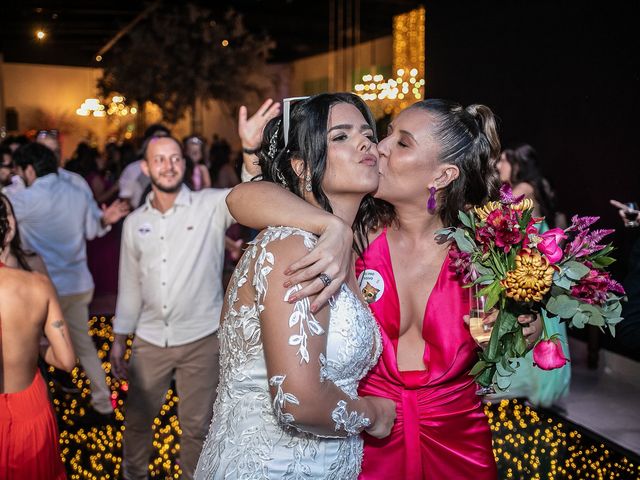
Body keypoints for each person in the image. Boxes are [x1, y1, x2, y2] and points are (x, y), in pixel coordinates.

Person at [226, 98, 544, 479]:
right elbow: (243, 197)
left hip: (458, 440)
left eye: (402, 143)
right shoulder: (354, 232)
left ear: (442, 176)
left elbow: (502, 332)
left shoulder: (485, 253)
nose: (379, 147)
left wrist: (522, 328)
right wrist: (334, 229)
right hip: (371, 440)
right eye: (387, 135)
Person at [195, 93, 395, 480]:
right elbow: (297, 404)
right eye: (340, 136)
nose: (364, 142)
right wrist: (374, 413)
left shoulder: (344, 247)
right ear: (301, 167)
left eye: (367, 134)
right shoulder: (293, 246)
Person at [110, 125, 274, 479]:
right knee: (137, 424)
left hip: (201, 340)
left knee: (197, 429)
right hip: (150, 340)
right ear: (146, 168)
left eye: (175, 159)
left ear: (184, 163)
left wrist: (248, 150)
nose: (168, 166)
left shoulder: (208, 205)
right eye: (159, 160)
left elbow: (249, 194)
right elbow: (130, 284)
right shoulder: (135, 222)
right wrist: (120, 338)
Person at [8, 143, 129, 416]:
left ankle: (44, 404)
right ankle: (101, 401)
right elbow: (91, 230)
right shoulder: (77, 190)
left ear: (28, 169)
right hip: (77, 284)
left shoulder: (23, 199)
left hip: (40, 288)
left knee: (33, 346)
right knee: (83, 344)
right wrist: (105, 219)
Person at [0, 197, 76, 480]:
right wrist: (32, 347)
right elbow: (67, 360)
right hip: (27, 409)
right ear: (8, 231)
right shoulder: (35, 285)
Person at [495, 144, 571, 406]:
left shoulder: (521, 190)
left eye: (503, 161)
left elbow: (500, 225)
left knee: (527, 321)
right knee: (545, 322)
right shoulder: (540, 187)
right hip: (541, 261)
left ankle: (526, 384)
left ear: (517, 165)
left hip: (526, 264)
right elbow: (559, 222)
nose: (497, 166)